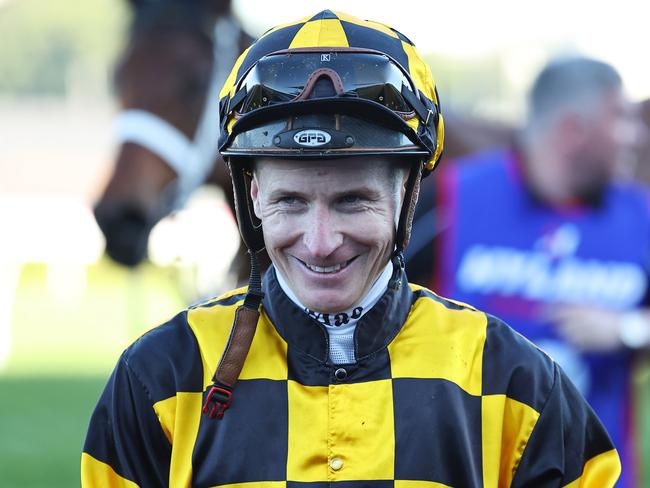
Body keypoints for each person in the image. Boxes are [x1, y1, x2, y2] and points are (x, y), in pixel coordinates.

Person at [82, 11, 620, 487]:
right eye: (290, 201)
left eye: (353, 201)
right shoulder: (155, 381)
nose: (320, 243)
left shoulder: (520, 383)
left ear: (407, 193)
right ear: (253, 197)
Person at [407, 56, 645, 487]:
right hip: (461, 469)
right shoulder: (454, 196)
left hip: (596, 475)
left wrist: (628, 328)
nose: (636, 136)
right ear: (574, 131)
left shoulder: (639, 216)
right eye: (621, 119)